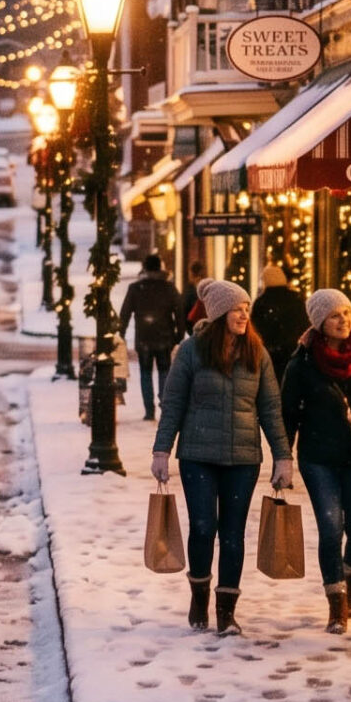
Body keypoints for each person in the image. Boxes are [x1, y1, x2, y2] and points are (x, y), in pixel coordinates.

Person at [151, 278, 291, 636]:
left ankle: (226, 610)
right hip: (198, 454)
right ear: (218, 314)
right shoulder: (192, 352)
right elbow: (174, 404)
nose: (244, 314)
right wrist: (161, 450)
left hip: (243, 458)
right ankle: (199, 593)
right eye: (237, 309)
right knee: (202, 526)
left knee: (232, 534)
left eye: (247, 309)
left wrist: (282, 457)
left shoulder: (257, 353)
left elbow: (271, 408)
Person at [281, 287, 351, 634]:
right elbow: (288, 413)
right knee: (331, 526)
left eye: (347, 313)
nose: (343, 320)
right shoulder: (302, 363)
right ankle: (336, 602)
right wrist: (283, 458)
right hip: (318, 457)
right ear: (320, 322)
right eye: (335, 315)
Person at [120, 254, 185, 421]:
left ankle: (149, 410)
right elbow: (179, 312)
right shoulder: (169, 288)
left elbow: (125, 312)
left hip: (144, 337)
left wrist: (121, 332)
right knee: (164, 371)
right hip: (165, 336)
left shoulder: (135, 288)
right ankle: (164, 404)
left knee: (145, 372)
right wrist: (179, 334)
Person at [252, 263, 310, 377]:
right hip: (294, 350)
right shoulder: (296, 298)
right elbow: (304, 323)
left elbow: (256, 328)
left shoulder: (261, 302)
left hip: (271, 353)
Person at [182, 258, 209, 332]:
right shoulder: (208, 286)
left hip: (193, 326)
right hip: (207, 327)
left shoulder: (190, 290)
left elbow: (184, 309)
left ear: (191, 273)